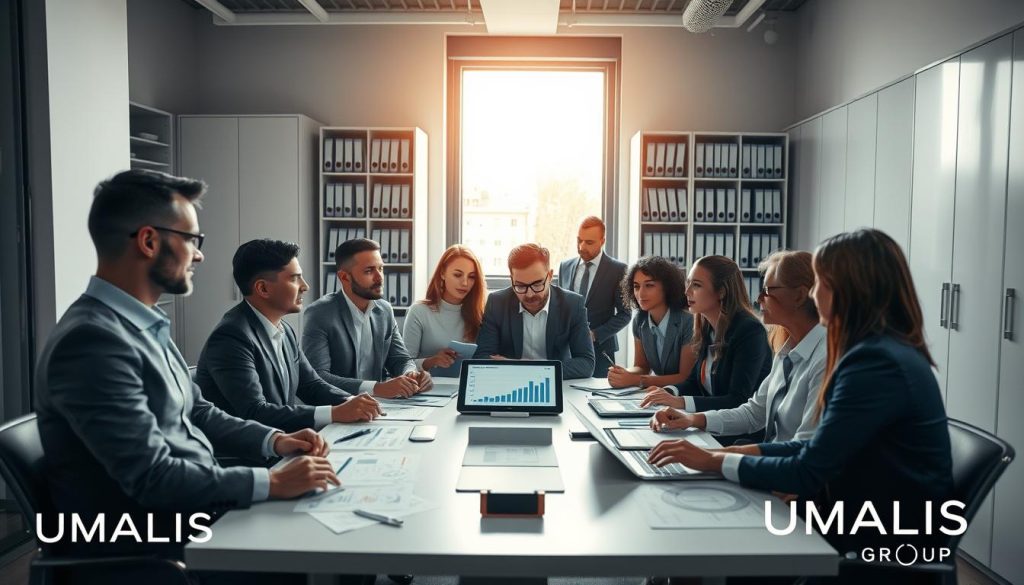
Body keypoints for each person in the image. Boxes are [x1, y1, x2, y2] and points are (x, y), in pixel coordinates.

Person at [34, 170, 338, 564]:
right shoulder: (92, 342)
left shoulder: (143, 324)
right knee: (321, 550)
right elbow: (152, 477)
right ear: (148, 241)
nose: (199, 255)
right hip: (154, 546)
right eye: (192, 240)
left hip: (195, 513)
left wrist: (275, 440)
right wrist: (271, 481)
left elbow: (199, 411)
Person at [649, 229, 953, 584]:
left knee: (696, 532)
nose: (813, 293)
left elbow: (809, 468)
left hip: (868, 543)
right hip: (851, 519)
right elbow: (813, 446)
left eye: (820, 282)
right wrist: (722, 456)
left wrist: (717, 460)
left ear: (847, 290)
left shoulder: (875, 363)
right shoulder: (879, 352)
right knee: (693, 527)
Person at [195, 239, 382, 434]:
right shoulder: (231, 337)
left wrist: (352, 401)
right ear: (263, 289)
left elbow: (310, 384)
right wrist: (335, 413)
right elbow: (255, 412)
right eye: (295, 278)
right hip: (250, 456)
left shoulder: (283, 329)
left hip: (287, 442)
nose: (305, 286)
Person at [650, 250, 826, 444]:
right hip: (763, 456)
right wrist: (691, 419)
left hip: (773, 461)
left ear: (799, 296)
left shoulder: (824, 359)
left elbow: (804, 447)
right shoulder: (785, 351)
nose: (759, 298)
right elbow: (752, 413)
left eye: (767, 290)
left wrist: (718, 457)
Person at [642, 255, 772, 436]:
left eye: (696, 285)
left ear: (721, 292)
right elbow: (695, 381)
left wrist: (680, 402)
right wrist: (666, 392)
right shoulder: (707, 327)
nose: (687, 291)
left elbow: (737, 400)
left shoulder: (749, 331)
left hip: (737, 436)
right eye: (688, 283)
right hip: (708, 427)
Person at [303, 238, 431, 398]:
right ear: (344, 277)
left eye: (381, 268)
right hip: (338, 409)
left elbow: (400, 359)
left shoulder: (384, 310)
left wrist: (411, 374)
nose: (380, 278)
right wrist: (377, 388)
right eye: (369, 271)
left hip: (378, 407)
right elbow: (318, 377)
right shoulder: (320, 313)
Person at [474, 243, 595, 379]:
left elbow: (586, 363)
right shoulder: (497, 303)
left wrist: (525, 368)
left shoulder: (572, 305)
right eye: (520, 286)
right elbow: (482, 358)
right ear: (511, 280)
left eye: (537, 284)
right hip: (511, 384)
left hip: (554, 385)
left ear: (549, 276)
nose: (530, 294)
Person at [607, 256, 697, 388]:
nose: (641, 293)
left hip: (685, 397)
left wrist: (635, 380)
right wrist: (624, 373)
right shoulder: (639, 321)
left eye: (649, 285)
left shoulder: (688, 321)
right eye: (636, 286)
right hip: (660, 396)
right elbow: (642, 367)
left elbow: (684, 377)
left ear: (667, 287)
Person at [557, 216, 630, 377]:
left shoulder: (618, 270)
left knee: (598, 397)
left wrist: (595, 334)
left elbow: (625, 315)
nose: (582, 247)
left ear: (602, 241)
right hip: (568, 351)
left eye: (589, 242)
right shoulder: (565, 266)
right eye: (579, 240)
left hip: (601, 350)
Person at [403, 245, 487, 376]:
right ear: (442, 273)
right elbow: (403, 364)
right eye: (458, 275)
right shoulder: (419, 311)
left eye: (471, 277)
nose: (465, 283)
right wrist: (432, 361)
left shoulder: (480, 314)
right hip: (428, 389)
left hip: (466, 388)